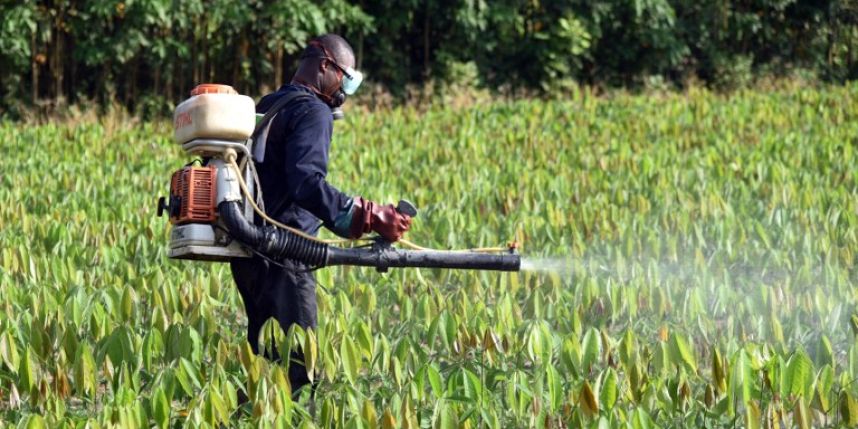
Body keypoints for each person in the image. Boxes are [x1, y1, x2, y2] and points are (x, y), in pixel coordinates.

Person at [230, 34, 412, 393]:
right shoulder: (313, 110)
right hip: (287, 255)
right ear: (325, 66)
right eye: (347, 78)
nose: (347, 89)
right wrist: (366, 216)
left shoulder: (272, 103)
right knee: (301, 370)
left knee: (265, 362)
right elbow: (306, 183)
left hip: (251, 256)